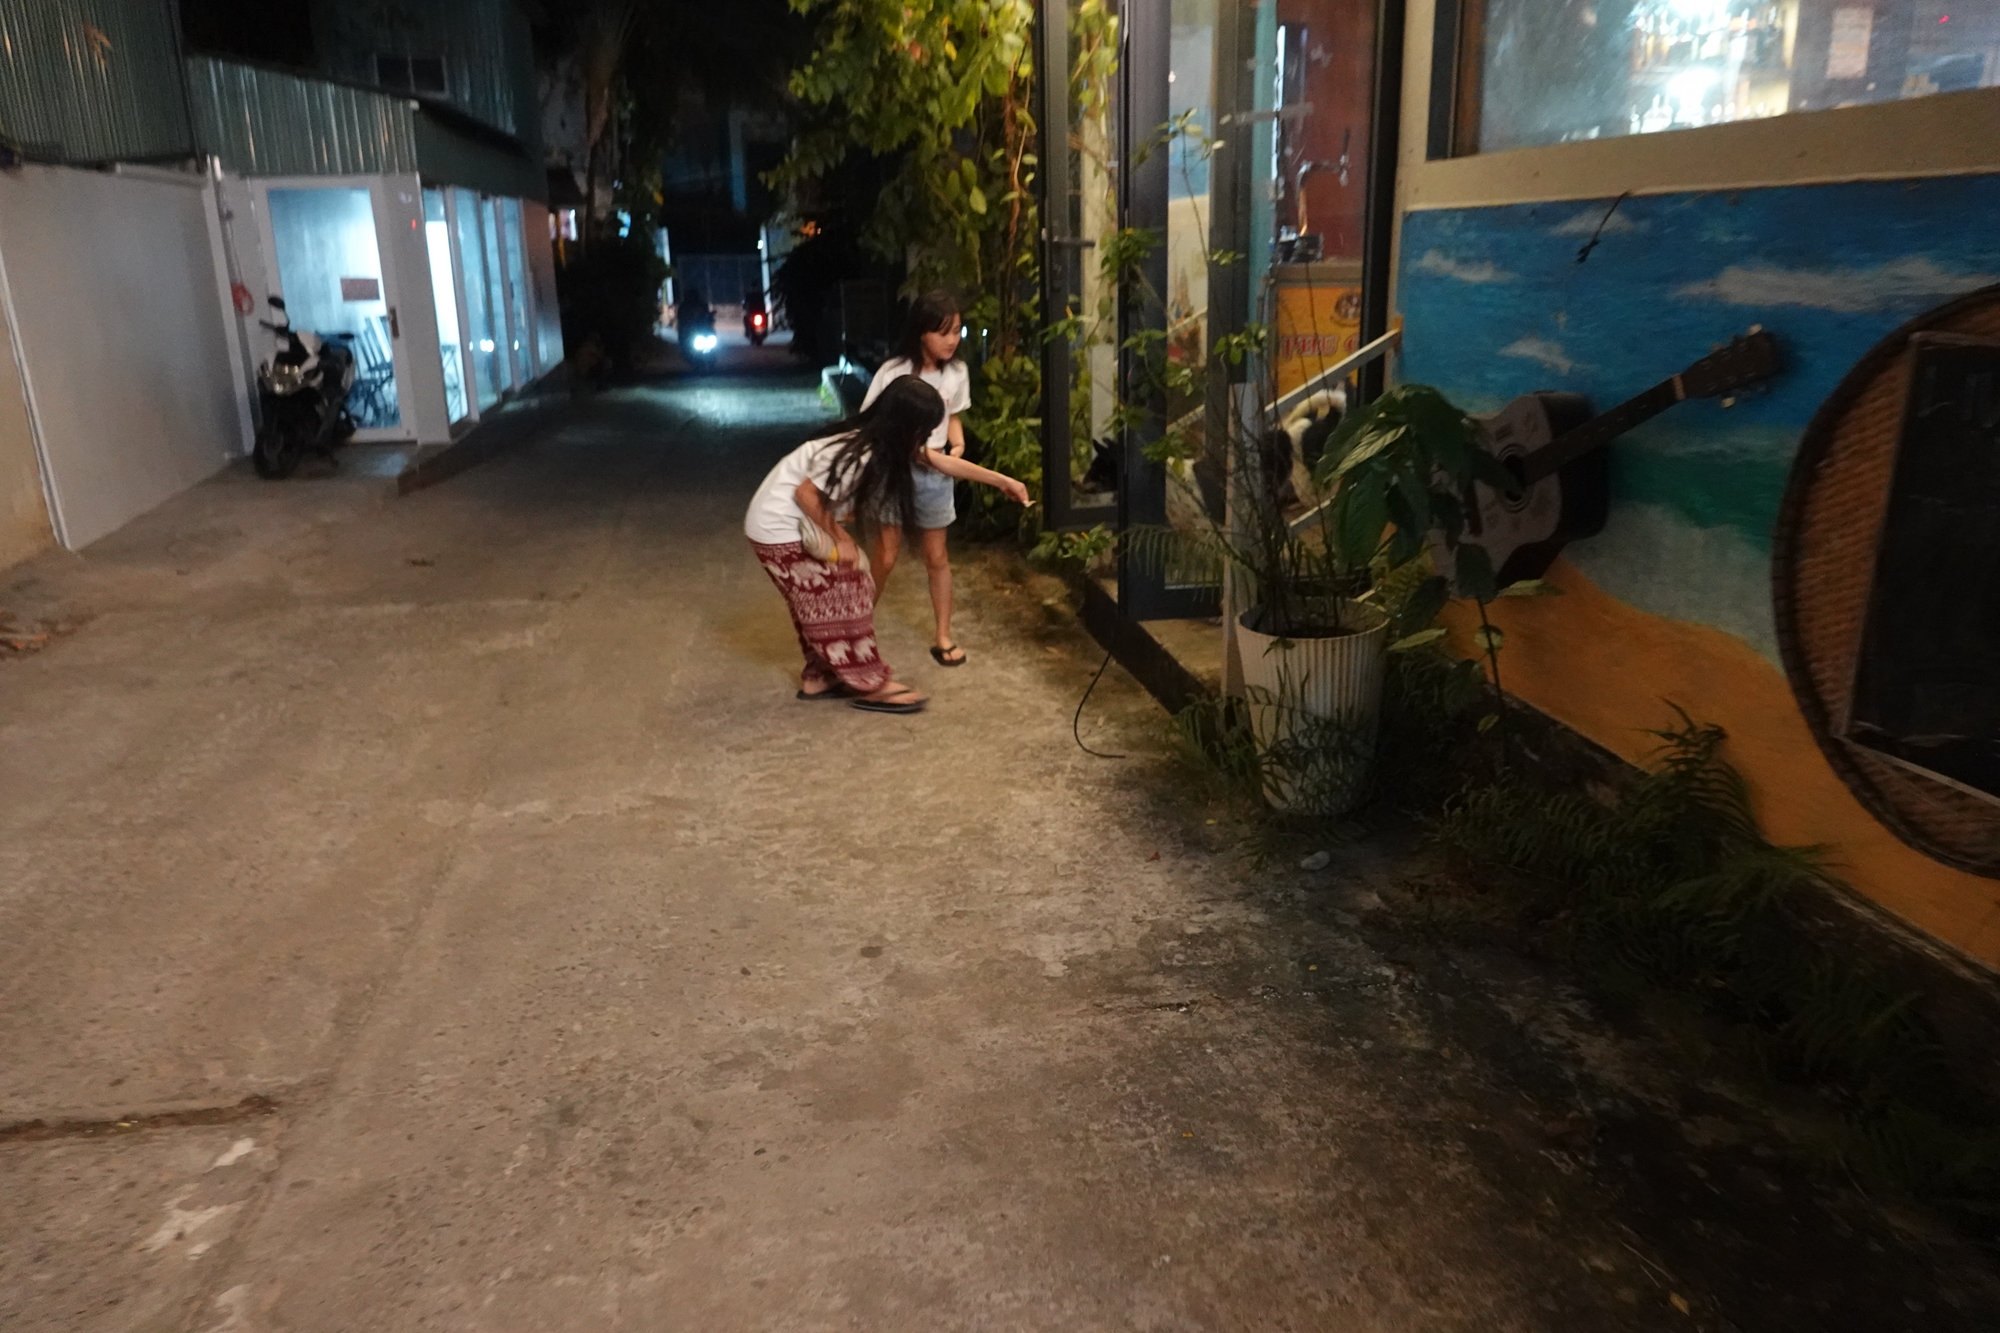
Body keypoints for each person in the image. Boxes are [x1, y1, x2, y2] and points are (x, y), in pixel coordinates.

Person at [743, 377, 946, 714]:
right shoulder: (860, 453)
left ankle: (820, 677)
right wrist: (842, 538)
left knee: (822, 599)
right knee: (847, 591)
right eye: (923, 430)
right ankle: (871, 683)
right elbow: (806, 494)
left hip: (781, 525)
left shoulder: (862, 444)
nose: (925, 439)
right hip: (779, 527)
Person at [860, 291, 1030, 667]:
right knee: (886, 555)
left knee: (937, 556)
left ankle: (943, 635)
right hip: (895, 470)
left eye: (956, 331)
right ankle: (857, 627)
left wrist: (958, 443)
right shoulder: (893, 371)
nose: (952, 340)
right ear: (921, 332)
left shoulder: (957, 372)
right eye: (943, 332)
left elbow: (953, 414)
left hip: (937, 472)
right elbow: (870, 420)